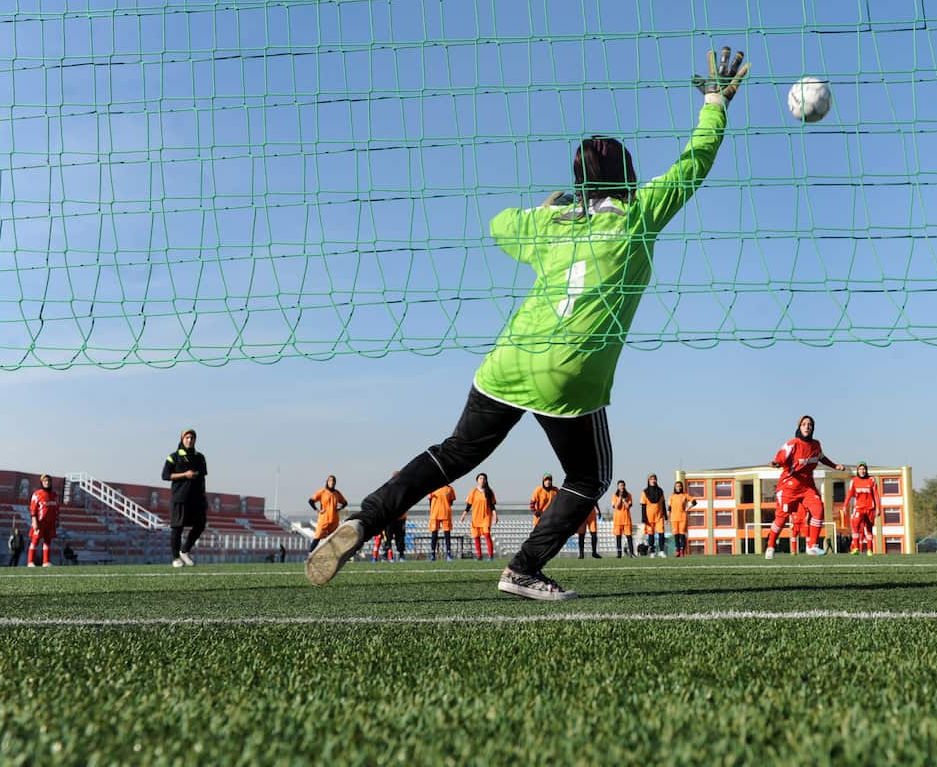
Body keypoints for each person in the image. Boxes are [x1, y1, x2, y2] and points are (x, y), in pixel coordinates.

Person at [305, 47, 750, 600]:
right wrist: (715, 101)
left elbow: (499, 223)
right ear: (630, 177)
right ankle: (523, 569)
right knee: (588, 478)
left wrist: (550, 208)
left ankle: (366, 519)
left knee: (453, 453)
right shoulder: (639, 215)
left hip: (510, 360)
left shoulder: (549, 227)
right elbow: (696, 162)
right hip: (570, 372)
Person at [765, 416, 846, 559]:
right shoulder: (793, 444)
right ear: (799, 427)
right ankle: (770, 546)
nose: (807, 426)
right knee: (781, 520)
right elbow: (781, 457)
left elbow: (821, 457)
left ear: (813, 428)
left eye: (810, 424)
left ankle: (812, 546)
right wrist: (776, 463)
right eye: (804, 424)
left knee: (818, 510)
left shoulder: (816, 444)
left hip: (807, 487)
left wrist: (835, 466)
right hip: (789, 487)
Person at [162, 429, 208, 568]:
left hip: (197, 499)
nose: (190, 440)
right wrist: (184, 474)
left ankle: (185, 551)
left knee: (200, 524)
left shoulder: (200, 457)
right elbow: (165, 475)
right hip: (180, 498)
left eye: (192, 438)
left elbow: (202, 478)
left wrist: (204, 497)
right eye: (187, 437)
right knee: (177, 528)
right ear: (182, 439)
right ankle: (176, 558)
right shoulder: (173, 457)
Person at [459, 473, 498, 560]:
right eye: (480, 478)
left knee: (487, 535)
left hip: (486, 517)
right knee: (476, 537)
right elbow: (469, 505)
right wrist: (464, 515)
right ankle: (479, 556)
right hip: (475, 518)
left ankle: (491, 555)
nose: (482, 480)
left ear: (486, 481)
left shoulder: (489, 491)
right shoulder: (473, 492)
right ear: (477, 480)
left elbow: (492, 506)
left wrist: (495, 515)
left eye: (484, 479)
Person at [846, 462, 879, 556]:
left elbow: (876, 495)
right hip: (859, 508)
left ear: (866, 470)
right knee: (855, 526)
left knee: (868, 529)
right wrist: (845, 505)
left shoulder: (872, 480)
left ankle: (869, 550)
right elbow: (849, 494)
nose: (862, 471)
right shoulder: (854, 481)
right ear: (857, 470)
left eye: (864, 469)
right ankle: (856, 548)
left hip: (870, 508)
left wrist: (878, 508)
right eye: (860, 469)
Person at [308, 476, 348, 553]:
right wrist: (317, 510)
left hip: (334, 520)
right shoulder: (322, 492)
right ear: (327, 482)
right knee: (317, 537)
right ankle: (309, 555)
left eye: (333, 481)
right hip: (324, 520)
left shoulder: (337, 493)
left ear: (335, 483)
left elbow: (345, 503)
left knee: (333, 539)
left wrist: (339, 509)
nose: (332, 482)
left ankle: (333, 556)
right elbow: (311, 501)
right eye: (330, 481)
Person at [27, 475, 59, 568]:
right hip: (40, 522)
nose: (47, 482)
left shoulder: (54, 495)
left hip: (51, 522)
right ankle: (30, 561)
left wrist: (57, 521)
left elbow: (57, 509)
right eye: (45, 481)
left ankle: (46, 562)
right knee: (35, 541)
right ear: (42, 482)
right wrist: (34, 521)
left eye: (49, 481)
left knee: (48, 541)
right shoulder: (37, 494)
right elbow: (33, 509)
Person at [427, 485, 457, 562]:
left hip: (446, 514)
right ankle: (432, 554)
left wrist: (445, 506)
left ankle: (449, 554)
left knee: (447, 535)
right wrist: (434, 508)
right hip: (435, 514)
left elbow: (451, 501)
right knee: (434, 534)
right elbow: (430, 500)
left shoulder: (449, 488)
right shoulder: (433, 487)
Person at [641, 474, 668, 558]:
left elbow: (663, 504)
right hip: (649, 517)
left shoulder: (660, 491)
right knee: (651, 535)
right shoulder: (644, 492)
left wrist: (665, 515)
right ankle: (652, 551)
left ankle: (661, 551)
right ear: (648, 481)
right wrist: (644, 517)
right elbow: (643, 505)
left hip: (659, 516)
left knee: (661, 533)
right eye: (651, 479)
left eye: (654, 479)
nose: (653, 480)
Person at [667, 480, 696, 557]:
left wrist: (688, 508)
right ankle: (677, 550)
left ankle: (682, 550)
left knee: (682, 535)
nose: (678, 487)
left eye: (680, 486)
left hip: (683, 517)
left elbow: (694, 502)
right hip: (674, 518)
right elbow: (669, 508)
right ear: (675, 487)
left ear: (681, 487)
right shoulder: (672, 496)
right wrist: (668, 517)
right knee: (676, 535)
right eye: (677, 486)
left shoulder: (685, 495)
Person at [611, 479, 635, 558]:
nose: (622, 487)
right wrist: (620, 498)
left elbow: (628, 506)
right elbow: (616, 506)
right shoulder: (614, 496)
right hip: (618, 520)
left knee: (629, 536)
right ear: (618, 487)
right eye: (620, 485)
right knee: (618, 537)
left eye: (623, 485)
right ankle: (619, 554)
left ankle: (631, 553)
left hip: (626, 519)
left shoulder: (629, 495)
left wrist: (624, 500)